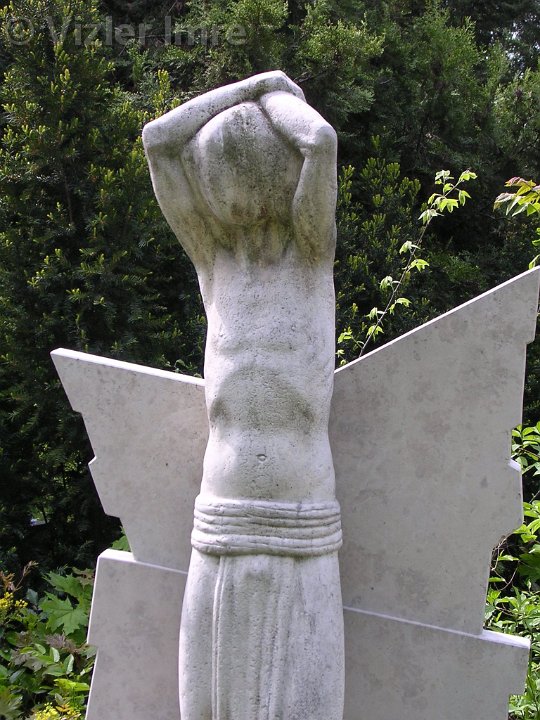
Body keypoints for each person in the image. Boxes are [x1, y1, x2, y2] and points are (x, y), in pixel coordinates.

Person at [143, 70, 344, 720]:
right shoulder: (215, 265)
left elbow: (319, 141)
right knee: (204, 707)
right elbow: (158, 140)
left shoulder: (310, 258)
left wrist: (278, 96)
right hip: (220, 516)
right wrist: (254, 85)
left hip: (300, 517)